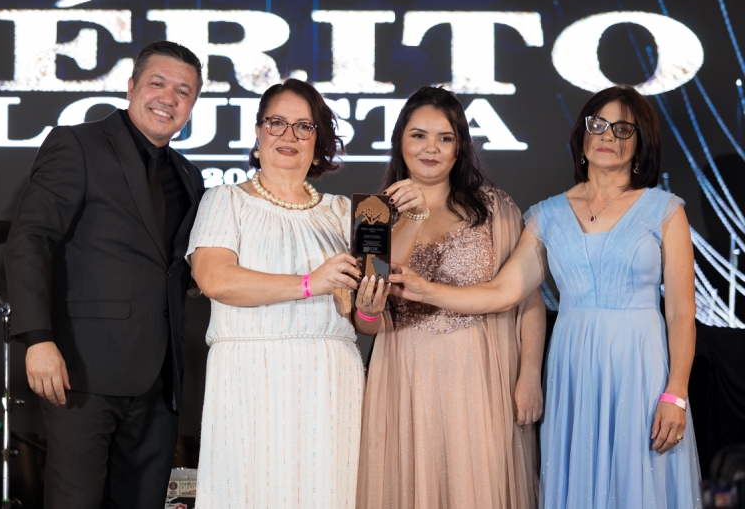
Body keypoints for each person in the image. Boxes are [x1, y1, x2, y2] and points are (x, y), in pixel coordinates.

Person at [389, 85, 703, 508]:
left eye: (623, 129)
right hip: (574, 368)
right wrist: (427, 290)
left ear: (641, 142)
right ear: (583, 134)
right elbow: (502, 292)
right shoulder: (547, 215)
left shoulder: (664, 210)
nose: (608, 136)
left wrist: (675, 393)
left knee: (641, 484)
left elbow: (681, 311)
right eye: (599, 124)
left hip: (641, 367)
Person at [4, 41, 206, 508]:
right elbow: (29, 239)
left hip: (160, 384)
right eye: (157, 83)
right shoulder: (77, 144)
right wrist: (37, 338)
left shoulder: (189, 176)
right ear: (131, 86)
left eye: (184, 92)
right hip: (82, 373)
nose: (169, 98)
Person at [186, 78, 390, 508]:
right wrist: (310, 283)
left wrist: (370, 308)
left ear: (319, 141)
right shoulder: (225, 200)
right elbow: (215, 279)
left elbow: (364, 321)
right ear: (258, 132)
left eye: (304, 126)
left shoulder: (345, 212)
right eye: (276, 122)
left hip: (330, 381)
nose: (289, 135)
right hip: (249, 375)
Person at [357, 86, 545, 508]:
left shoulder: (495, 209)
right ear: (399, 142)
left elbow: (527, 299)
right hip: (405, 375)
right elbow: (367, 314)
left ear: (460, 147)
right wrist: (411, 216)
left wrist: (529, 375)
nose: (431, 148)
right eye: (418, 135)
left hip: (480, 373)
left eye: (445, 137)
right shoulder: (374, 215)